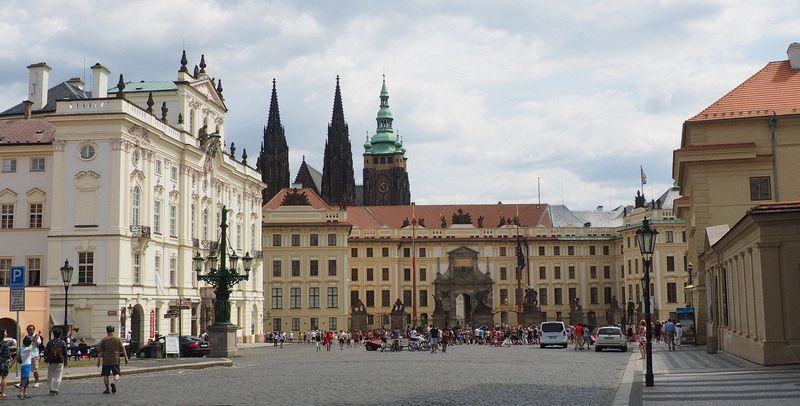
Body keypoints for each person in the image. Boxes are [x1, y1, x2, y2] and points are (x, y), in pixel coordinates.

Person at [96, 325, 128, 394]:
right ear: (113, 330)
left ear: (107, 331)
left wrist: (98, 361)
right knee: (117, 374)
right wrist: (126, 357)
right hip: (115, 359)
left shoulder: (104, 339)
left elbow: (100, 351)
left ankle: (107, 389)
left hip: (106, 360)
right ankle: (113, 383)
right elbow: (123, 348)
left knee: (105, 375)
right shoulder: (118, 339)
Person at [43, 327, 68, 396]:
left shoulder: (50, 342)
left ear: (53, 334)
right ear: (60, 334)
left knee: (50, 376)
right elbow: (65, 353)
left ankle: (51, 389)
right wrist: (65, 362)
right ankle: (55, 389)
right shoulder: (62, 342)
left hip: (51, 361)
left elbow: (46, 352)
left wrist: (46, 359)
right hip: (60, 361)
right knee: (58, 376)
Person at [16, 334, 37, 399]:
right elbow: (34, 344)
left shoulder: (21, 348)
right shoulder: (28, 349)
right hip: (26, 366)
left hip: (24, 365)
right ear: (29, 343)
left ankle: (25, 393)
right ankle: (20, 393)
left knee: (26, 380)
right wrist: (37, 336)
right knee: (24, 380)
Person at [0, 329, 15, 399]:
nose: (6, 333)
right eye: (5, 332)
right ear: (3, 334)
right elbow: (7, 354)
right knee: (4, 378)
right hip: (4, 363)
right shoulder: (5, 344)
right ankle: (1, 393)